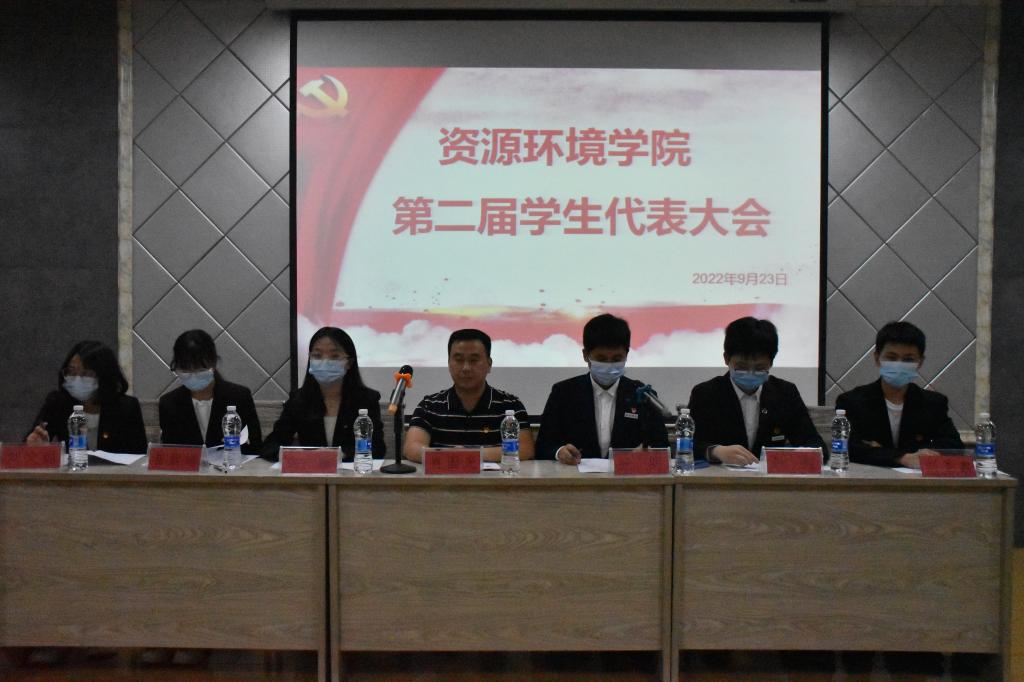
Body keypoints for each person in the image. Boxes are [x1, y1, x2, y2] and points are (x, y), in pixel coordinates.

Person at [688, 317, 823, 465]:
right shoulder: (706, 393)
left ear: (771, 362)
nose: (750, 373)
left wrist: (792, 456)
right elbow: (688, 445)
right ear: (726, 359)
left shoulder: (785, 393)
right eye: (741, 367)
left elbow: (814, 444)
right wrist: (715, 451)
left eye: (759, 368)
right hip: (720, 476)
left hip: (769, 477)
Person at [536, 313, 668, 462]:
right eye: (601, 359)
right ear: (586, 355)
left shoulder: (642, 395)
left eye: (617, 359)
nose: (609, 365)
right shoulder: (563, 393)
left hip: (627, 474)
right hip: (575, 474)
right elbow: (543, 446)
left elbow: (662, 447)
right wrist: (559, 452)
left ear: (627, 355)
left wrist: (648, 453)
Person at [835, 321, 963, 468]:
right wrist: (902, 457)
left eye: (908, 359)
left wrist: (880, 451)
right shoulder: (852, 402)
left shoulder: (933, 403)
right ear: (877, 358)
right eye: (891, 358)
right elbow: (848, 447)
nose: (899, 364)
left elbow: (953, 446)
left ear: (920, 362)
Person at [403, 328, 535, 463]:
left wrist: (471, 454)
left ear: (489, 365)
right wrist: (450, 456)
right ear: (449, 363)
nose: (466, 368)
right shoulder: (429, 406)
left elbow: (525, 449)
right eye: (459, 360)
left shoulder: (510, 405)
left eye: (474, 360)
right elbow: (412, 449)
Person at [261, 327, 385, 462]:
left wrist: (339, 455)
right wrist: (292, 454)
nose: (325, 361)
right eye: (317, 356)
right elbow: (271, 445)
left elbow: (377, 449)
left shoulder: (366, 399)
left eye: (334, 356)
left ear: (349, 363)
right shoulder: (299, 400)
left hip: (352, 471)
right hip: (311, 472)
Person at [25, 340, 147, 453]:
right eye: (72, 372)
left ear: (104, 376)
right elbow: (31, 444)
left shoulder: (126, 407)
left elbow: (140, 455)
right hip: (73, 469)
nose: (77, 379)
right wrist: (37, 448)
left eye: (87, 374)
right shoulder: (58, 402)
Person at [158, 329, 262, 454]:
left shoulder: (239, 397)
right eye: (186, 370)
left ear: (214, 363)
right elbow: (170, 450)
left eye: (199, 368)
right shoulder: (169, 403)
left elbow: (255, 446)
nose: (193, 374)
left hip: (230, 464)